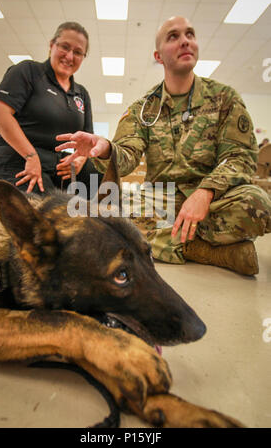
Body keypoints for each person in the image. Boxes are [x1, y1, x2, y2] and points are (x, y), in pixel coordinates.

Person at [55, 16, 271, 276]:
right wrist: (106, 148)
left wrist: (206, 192)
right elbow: (128, 154)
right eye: (174, 36)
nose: (185, 41)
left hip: (214, 199)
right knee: (103, 214)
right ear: (158, 56)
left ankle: (161, 243)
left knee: (257, 204)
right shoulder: (144, 108)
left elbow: (241, 157)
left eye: (190, 34)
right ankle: (208, 251)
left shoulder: (224, 98)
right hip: (161, 199)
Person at [0, 21, 102, 195]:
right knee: (48, 209)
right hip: (18, 156)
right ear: (52, 45)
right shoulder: (28, 71)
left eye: (78, 52)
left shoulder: (81, 93)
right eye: (65, 47)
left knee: (99, 179)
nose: (70, 56)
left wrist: (80, 159)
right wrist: (30, 156)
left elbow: (87, 140)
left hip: (57, 162)